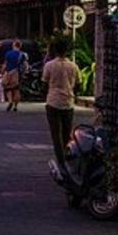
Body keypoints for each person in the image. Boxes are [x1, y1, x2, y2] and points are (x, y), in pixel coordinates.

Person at [42, 38, 80, 166]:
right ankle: (67, 155)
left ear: (55, 50)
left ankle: (60, 160)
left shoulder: (49, 65)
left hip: (53, 102)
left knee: (55, 133)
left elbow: (44, 83)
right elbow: (78, 85)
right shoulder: (73, 66)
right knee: (66, 133)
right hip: (68, 102)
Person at [2, 40, 26, 112]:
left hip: (8, 72)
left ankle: (10, 101)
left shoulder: (8, 53)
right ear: (20, 46)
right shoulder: (22, 55)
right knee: (16, 89)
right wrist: (23, 73)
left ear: (14, 45)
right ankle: (15, 106)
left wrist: (2, 71)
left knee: (7, 88)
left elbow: (5, 63)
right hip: (17, 73)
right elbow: (25, 65)